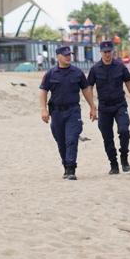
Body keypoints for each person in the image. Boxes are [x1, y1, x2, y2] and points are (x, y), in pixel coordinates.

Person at [40, 45, 97, 180]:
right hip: (56, 113)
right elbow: (43, 91)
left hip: (73, 111)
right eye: (65, 55)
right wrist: (43, 109)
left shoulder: (77, 73)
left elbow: (86, 90)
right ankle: (66, 166)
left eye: (69, 54)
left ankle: (71, 169)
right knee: (61, 141)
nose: (68, 57)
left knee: (71, 139)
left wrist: (92, 107)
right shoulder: (51, 74)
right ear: (58, 57)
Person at [87, 41, 130, 174]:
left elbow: (129, 84)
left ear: (113, 51)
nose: (107, 54)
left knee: (124, 130)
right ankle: (113, 164)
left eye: (109, 51)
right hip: (104, 108)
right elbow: (89, 87)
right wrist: (92, 107)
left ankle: (124, 156)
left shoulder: (120, 67)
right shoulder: (95, 69)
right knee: (107, 137)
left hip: (120, 105)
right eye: (105, 52)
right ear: (101, 52)